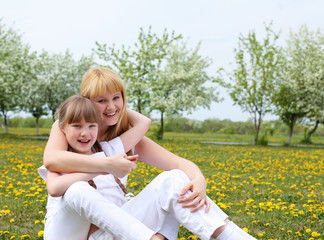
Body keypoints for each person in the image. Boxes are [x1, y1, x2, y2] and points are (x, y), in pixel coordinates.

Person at [43, 67, 257, 240]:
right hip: (74, 230)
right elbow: (52, 163)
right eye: (101, 100)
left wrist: (199, 179)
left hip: (117, 230)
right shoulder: (67, 129)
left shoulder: (118, 142)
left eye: (116, 98)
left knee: (174, 181)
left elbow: (174, 158)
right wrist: (106, 165)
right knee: (76, 189)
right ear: (86, 103)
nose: (111, 107)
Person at [38, 95, 152, 239]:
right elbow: (54, 188)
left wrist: (111, 107)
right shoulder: (63, 158)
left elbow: (144, 122)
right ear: (62, 128)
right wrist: (104, 168)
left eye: (92, 125)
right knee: (77, 188)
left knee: (171, 180)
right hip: (64, 233)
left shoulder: (108, 150)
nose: (85, 133)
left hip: (98, 235)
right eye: (77, 126)